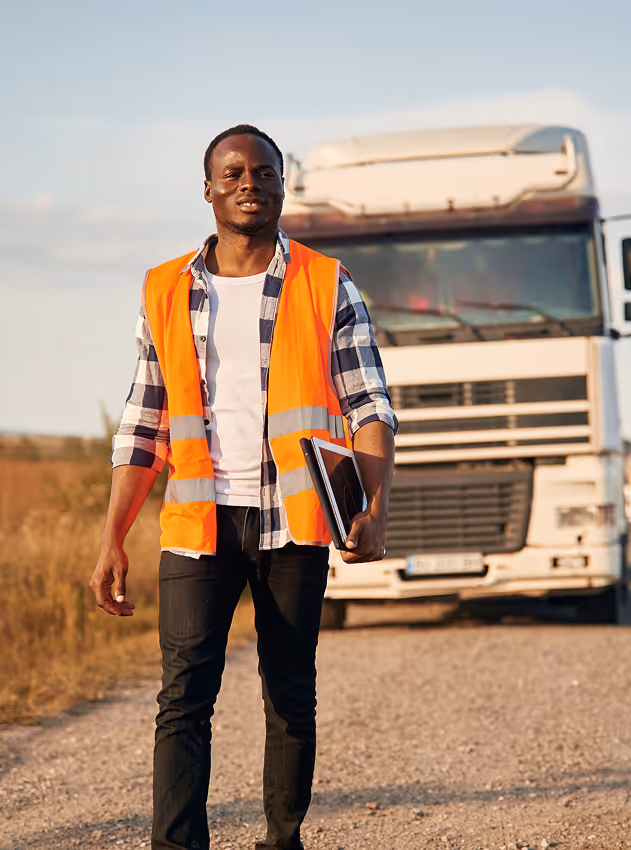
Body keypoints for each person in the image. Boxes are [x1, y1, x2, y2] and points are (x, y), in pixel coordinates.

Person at [89, 124, 397, 850]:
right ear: (208, 189)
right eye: (231, 173)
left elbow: (370, 405)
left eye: (262, 172)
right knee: (183, 699)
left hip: (293, 522)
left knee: (289, 694)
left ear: (282, 186)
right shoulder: (165, 288)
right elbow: (143, 420)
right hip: (200, 521)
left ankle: (281, 840)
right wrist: (112, 538)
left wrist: (375, 508)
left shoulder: (328, 282)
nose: (247, 183)